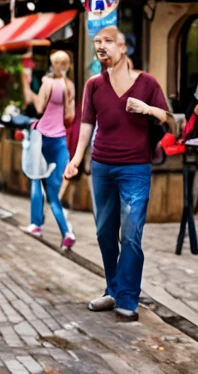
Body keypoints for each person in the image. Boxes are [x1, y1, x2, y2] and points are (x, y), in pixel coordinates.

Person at [65, 26, 170, 322]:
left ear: (123, 47)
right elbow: (86, 123)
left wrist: (147, 108)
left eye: (107, 41)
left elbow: (167, 116)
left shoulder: (147, 82)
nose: (101, 46)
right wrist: (76, 158)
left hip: (135, 167)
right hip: (101, 166)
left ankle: (127, 297)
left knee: (132, 234)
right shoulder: (94, 85)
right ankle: (112, 289)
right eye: (97, 42)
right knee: (104, 232)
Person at [21, 51, 76, 250]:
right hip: (60, 140)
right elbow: (70, 116)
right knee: (53, 191)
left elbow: (38, 107)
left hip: (43, 137)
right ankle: (66, 232)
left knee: (36, 179)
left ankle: (36, 224)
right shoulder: (69, 86)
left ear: (53, 64)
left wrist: (28, 86)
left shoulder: (48, 84)